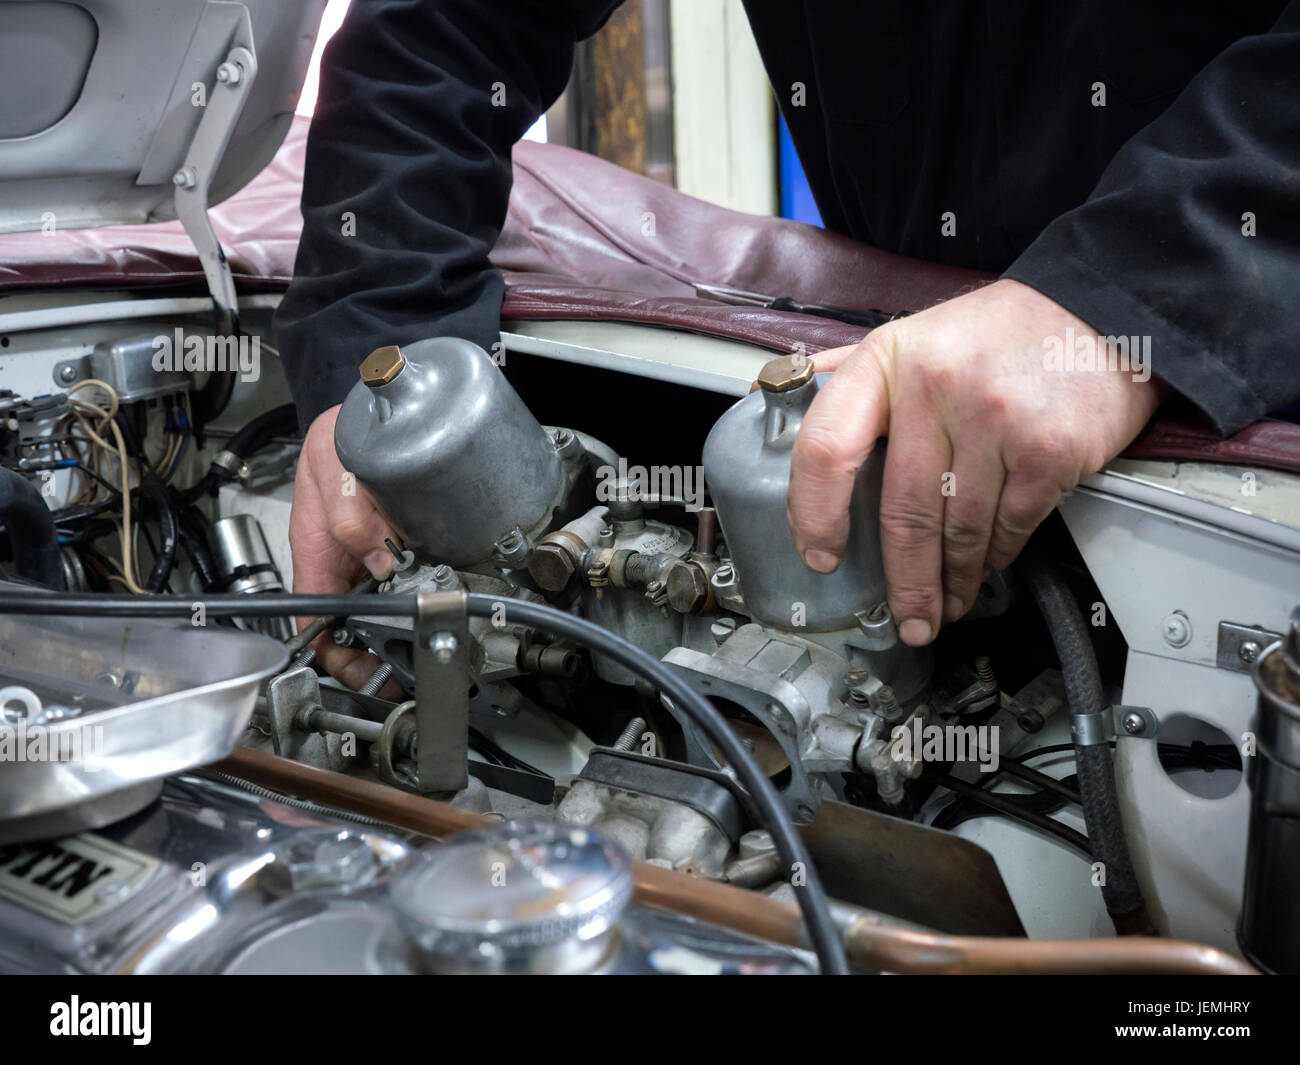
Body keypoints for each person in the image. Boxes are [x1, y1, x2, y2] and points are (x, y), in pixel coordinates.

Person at [276, 0, 1300, 687]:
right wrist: (380, 325)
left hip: (1251, 372)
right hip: (896, 349)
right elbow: (452, 25)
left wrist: (1128, 292)